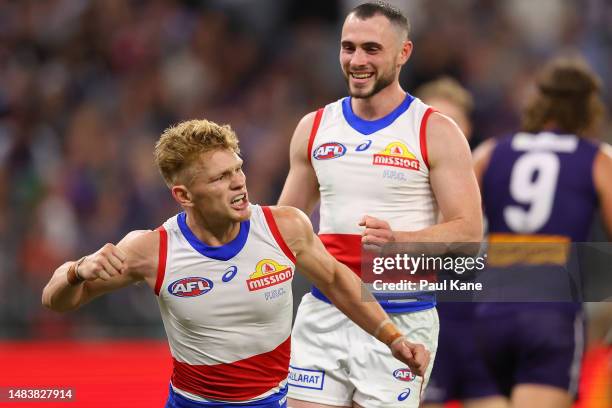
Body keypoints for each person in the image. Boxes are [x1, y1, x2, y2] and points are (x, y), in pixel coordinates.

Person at [41, 119, 431, 408]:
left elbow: (335, 279)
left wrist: (393, 339)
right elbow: (55, 301)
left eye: (238, 169)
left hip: (275, 401)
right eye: (220, 178)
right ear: (184, 194)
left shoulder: (285, 227)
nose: (239, 183)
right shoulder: (152, 249)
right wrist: (76, 272)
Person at [278, 3, 483, 407]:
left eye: (371, 49)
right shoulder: (314, 127)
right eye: (348, 47)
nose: (357, 60)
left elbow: (469, 233)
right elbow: (286, 227)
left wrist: (400, 240)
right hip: (325, 314)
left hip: (403, 316)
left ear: (403, 53)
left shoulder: (435, 130)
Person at [472, 56, 612, 408]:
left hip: (490, 310)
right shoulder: (597, 158)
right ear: (587, 109)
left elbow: (454, 227)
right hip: (550, 312)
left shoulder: (491, 151)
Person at [417, 78, 505, 408]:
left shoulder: (493, 179)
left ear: (466, 127)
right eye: (436, 120)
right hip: (425, 322)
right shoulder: (405, 191)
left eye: (452, 121)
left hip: (481, 328)